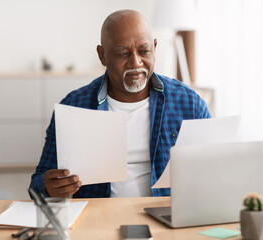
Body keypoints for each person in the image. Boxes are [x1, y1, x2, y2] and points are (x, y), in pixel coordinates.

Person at [29, 9, 211, 198]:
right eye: (123, 53)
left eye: (144, 51)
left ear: (154, 48)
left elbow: (214, 168)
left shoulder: (189, 103)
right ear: (102, 56)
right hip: (98, 219)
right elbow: (37, 184)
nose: (135, 62)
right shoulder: (73, 106)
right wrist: (49, 187)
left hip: (166, 216)